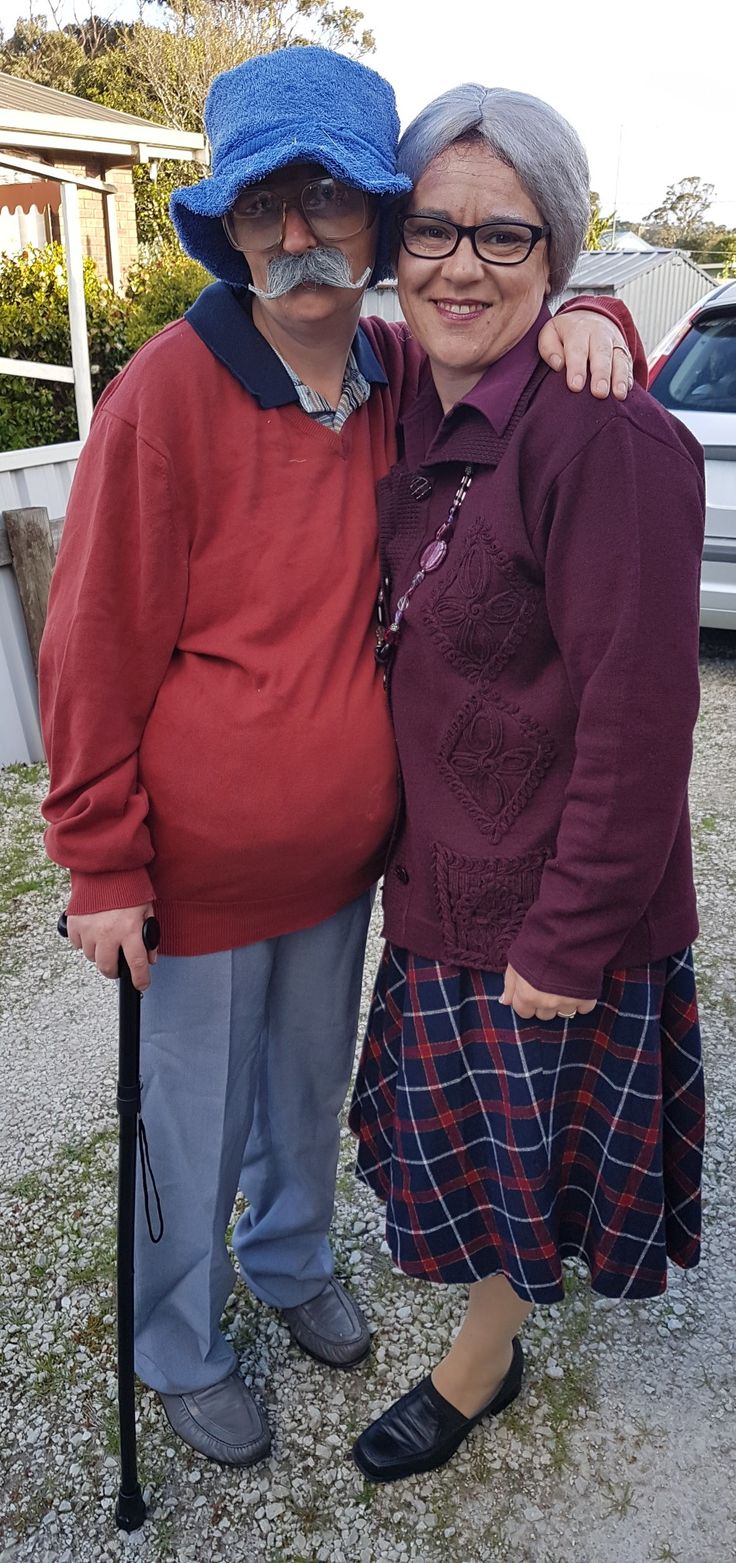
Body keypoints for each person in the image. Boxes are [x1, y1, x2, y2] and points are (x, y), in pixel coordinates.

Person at [39, 48, 642, 1469]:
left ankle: (293, 1260)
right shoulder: (168, 394)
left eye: (328, 200)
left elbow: (512, 331)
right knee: (190, 1127)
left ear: (377, 211)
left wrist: (596, 303)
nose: (299, 237)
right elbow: (92, 648)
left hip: (342, 863)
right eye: (262, 208)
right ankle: (175, 1339)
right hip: (192, 871)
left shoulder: (390, 380)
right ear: (228, 227)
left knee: (305, 1097)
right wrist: (100, 861)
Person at [349, 83, 706, 1485]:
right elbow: (281, 327)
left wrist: (567, 934)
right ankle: (487, 1340)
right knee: (485, 1163)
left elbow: (640, 713)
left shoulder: (600, 437)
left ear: (559, 250)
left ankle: (476, 1369)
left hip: (554, 915)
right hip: (445, 887)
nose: (461, 265)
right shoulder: (411, 400)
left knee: (517, 1177)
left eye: (506, 237)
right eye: (432, 229)